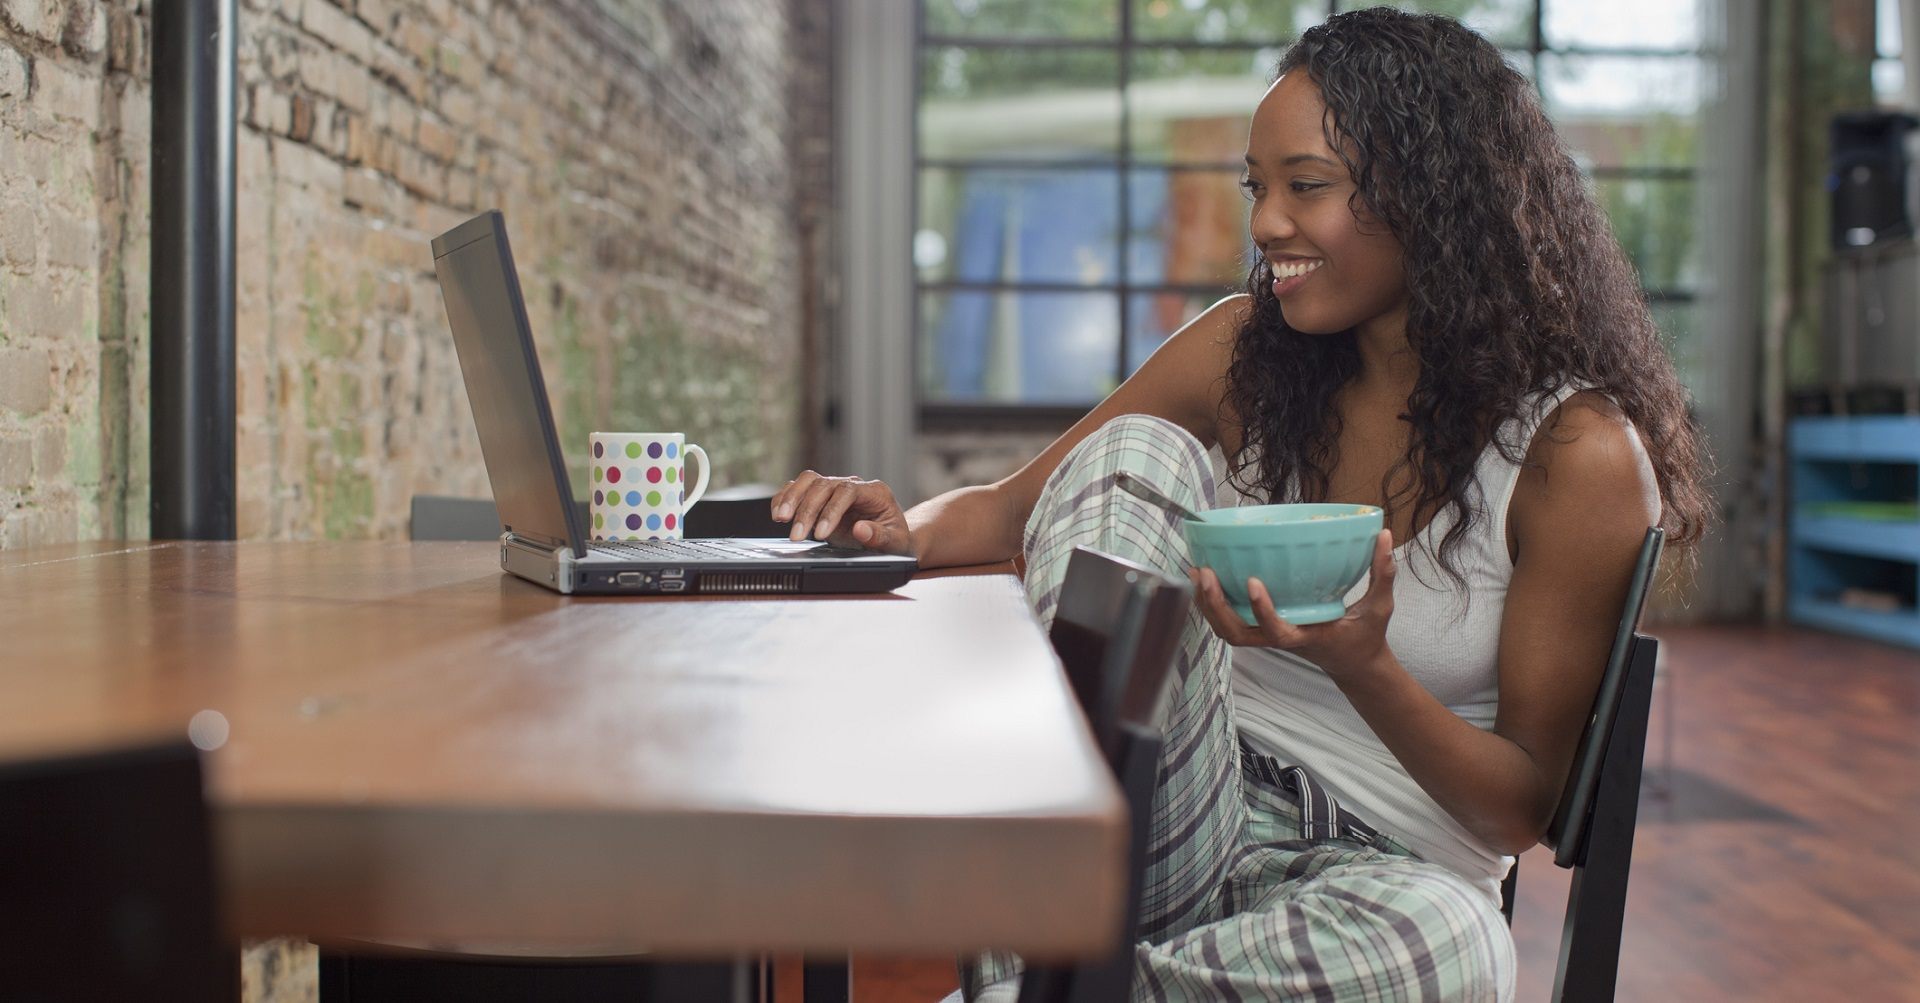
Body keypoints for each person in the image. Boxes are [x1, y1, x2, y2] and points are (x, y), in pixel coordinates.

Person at [772, 8, 1711, 1001]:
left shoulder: (1576, 455)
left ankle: (1040, 982)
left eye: (1307, 186)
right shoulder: (1240, 353)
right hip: (1181, 812)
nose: (1265, 224)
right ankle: (1048, 958)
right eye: (1258, 188)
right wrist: (896, 527)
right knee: (1133, 453)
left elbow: (1520, 812)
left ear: (1435, 196)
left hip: (1375, 882)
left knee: (1454, 949)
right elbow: (1011, 511)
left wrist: (1365, 666)